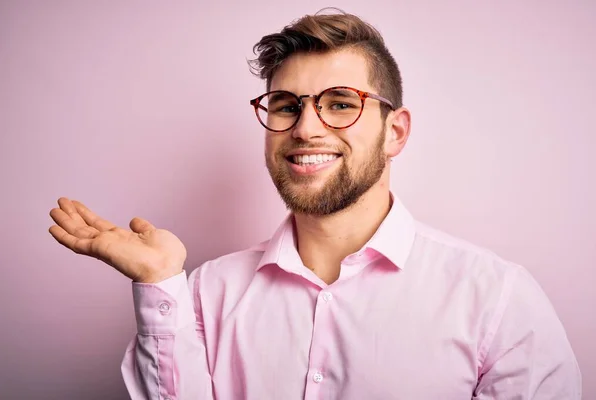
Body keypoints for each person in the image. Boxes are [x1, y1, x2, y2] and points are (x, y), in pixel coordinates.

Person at [49, 9, 581, 400]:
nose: (305, 128)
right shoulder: (203, 296)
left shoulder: (498, 302)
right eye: (286, 105)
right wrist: (160, 281)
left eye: (341, 104)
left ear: (395, 132)